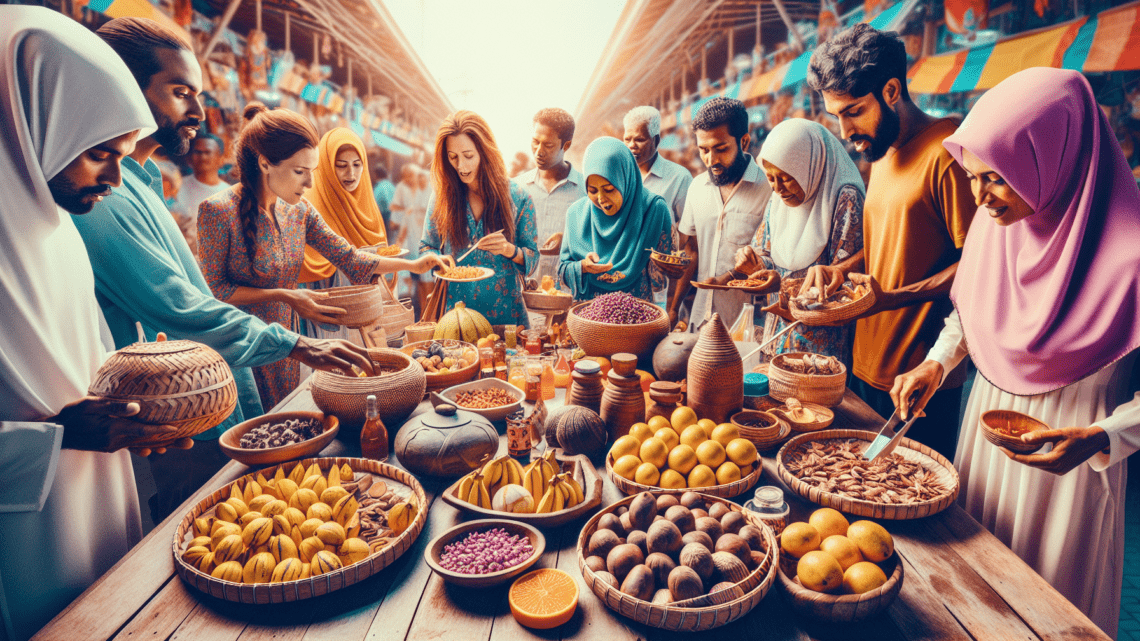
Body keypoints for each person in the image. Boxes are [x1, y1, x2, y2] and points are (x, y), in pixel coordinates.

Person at [76, 18, 380, 522]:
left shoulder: (143, 185)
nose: (198, 112)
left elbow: (348, 255)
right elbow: (183, 306)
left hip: (229, 395)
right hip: (177, 417)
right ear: (122, 90)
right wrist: (299, 340)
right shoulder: (106, 199)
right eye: (180, 92)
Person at [890, 68, 1140, 638]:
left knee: (1050, 610)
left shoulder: (1132, 255)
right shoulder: (994, 227)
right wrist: (937, 360)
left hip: (1070, 463)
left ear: (1055, 159)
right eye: (974, 177)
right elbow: (972, 310)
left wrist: (1105, 436)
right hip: (988, 437)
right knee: (971, 592)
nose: (979, 198)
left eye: (997, 179)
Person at [0, 9, 191, 639]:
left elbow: (80, 358)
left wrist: (139, 389)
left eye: (123, 155)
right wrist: (53, 438)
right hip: (21, 535)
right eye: (98, 155)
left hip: (101, 500)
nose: (114, 177)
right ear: (33, 125)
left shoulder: (54, 226)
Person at [199, 104, 450, 409]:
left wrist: (411, 264)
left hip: (287, 347)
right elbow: (214, 292)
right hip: (240, 351)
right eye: (299, 172)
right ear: (265, 164)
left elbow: (350, 258)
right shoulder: (217, 210)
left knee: (290, 420)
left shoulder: (299, 210)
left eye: (312, 172)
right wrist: (287, 296)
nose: (309, 184)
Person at [802, 24, 975, 460]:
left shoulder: (947, 155)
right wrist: (842, 269)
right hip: (864, 365)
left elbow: (978, 268)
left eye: (854, 111)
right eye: (836, 115)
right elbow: (892, 243)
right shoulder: (880, 149)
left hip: (918, 380)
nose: (844, 130)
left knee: (906, 509)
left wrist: (891, 298)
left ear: (892, 90)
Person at [734, 118, 864, 365]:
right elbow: (766, 252)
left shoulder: (844, 200)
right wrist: (753, 264)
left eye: (786, 177)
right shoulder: (777, 202)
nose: (777, 188)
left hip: (819, 356)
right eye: (770, 178)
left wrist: (781, 287)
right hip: (775, 343)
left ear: (809, 167)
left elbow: (845, 287)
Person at [660, 97, 772, 328]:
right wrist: (674, 309)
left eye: (721, 149)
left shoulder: (768, 189)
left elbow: (773, 259)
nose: (711, 161)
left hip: (746, 324)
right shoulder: (698, 187)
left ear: (744, 141)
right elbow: (692, 249)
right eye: (704, 150)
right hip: (700, 318)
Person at [420, 110, 538, 327]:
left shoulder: (518, 197)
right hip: (455, 319)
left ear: (484, 152)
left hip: (507, 318)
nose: (461, 167)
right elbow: (427, 247)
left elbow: (532, 258)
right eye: (452, 157)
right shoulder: (441, 198)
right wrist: (437, 261)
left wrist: (509, 250)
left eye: (468, 155)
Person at [297, 128, 391, 341]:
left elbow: (379, 259)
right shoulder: (309, 208)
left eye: (357, 165)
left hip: (368, 318)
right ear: (326, 168)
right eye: (341, 166)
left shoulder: (368, 208)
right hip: (328, 320)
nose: (351, 173)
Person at [558, 137, 672, 302]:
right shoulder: (575, 214)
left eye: (609, 189)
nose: (601, 198)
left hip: (637, 318)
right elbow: (562, 269)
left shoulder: (653, 209)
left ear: (625, 180)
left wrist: (663, 268)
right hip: (588, 317)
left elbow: (663, 277)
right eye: (592, 190)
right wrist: (582, 266)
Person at [514, 108, 585, 284]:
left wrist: (569, 243)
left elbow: (598, 242)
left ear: (566, 145)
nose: (538, 151)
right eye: (535, 142)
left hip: (569, 294)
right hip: (523, 294)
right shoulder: (516, 188)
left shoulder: (586, 191)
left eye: (548, 145)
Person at [622, 105, 692, 225]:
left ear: (656, 140)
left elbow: (689, 229)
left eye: (639, 139)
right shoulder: (619, 176)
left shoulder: (680, 178)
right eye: (627, 139)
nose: (631, 145)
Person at [176, 133, 230, 222]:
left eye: (207, 152)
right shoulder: (177, 187)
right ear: (189, 158)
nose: (203, 157)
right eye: (198, 152)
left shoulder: (229, 194)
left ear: (221, 160)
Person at [156, 159, 197, 256]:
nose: (160, 185)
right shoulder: (149, 205)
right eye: (158, 180)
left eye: (164, 181)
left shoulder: (179, 210)